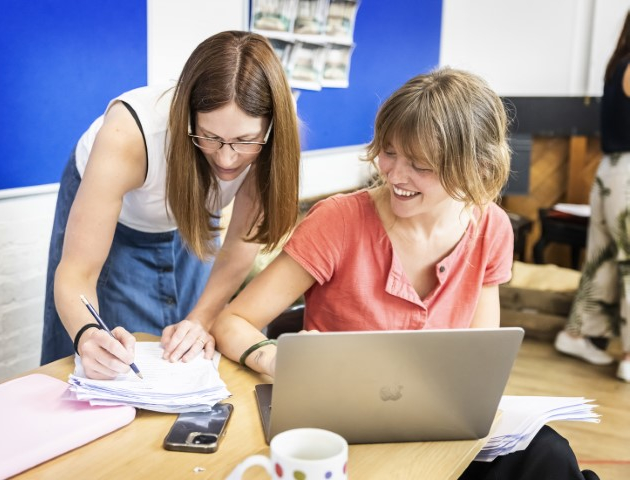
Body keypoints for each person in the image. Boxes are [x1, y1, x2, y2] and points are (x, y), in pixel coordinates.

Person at [211, 68, 599, 480]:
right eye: (389, 151)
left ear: (475, 166)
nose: (395, 174)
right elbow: (232, 320)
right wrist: (273, 356)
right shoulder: (339, 221)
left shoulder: (492, 227)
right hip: (341, 424)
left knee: (552, 457)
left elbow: (482, 355)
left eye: (421, 165)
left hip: (437, 423)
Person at [41, 31, 301, 380]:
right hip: (119, 222)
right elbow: (77, 271)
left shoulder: (274, 140)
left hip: (189, 215)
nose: (227, 159)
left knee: (187, 341)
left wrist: (200, 319)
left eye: (244, 141)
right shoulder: (129, 135)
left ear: (269, 129)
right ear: (188, 118)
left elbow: (240, 244)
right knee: (106, 360)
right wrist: (88, 335)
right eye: (209, 137)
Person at [554, 10, 630, 382]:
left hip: (611, 170)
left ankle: (577, 334)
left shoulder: (619, 65)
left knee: (602, 257)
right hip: (628, 172)